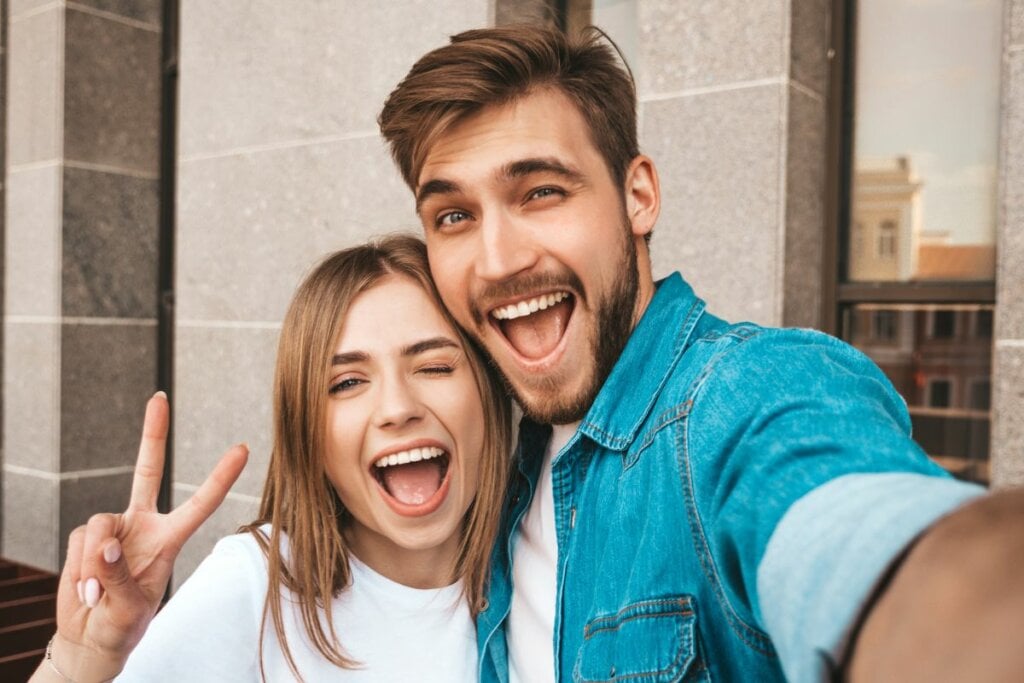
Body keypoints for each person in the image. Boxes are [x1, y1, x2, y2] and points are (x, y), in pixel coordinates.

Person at [378, 25, 1024, 682]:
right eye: (454, 216)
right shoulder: (504, 475)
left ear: (639, 196)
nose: (497, 260)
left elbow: (866, 539)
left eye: (541, 191)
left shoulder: (746, 393)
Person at [32, 235, 512, 682]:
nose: (397, 408)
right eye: (346, 383)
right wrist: (81, 660)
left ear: (489, 393)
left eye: (433, 367)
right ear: (307, 432)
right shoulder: (255, 585)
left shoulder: (547, 560)